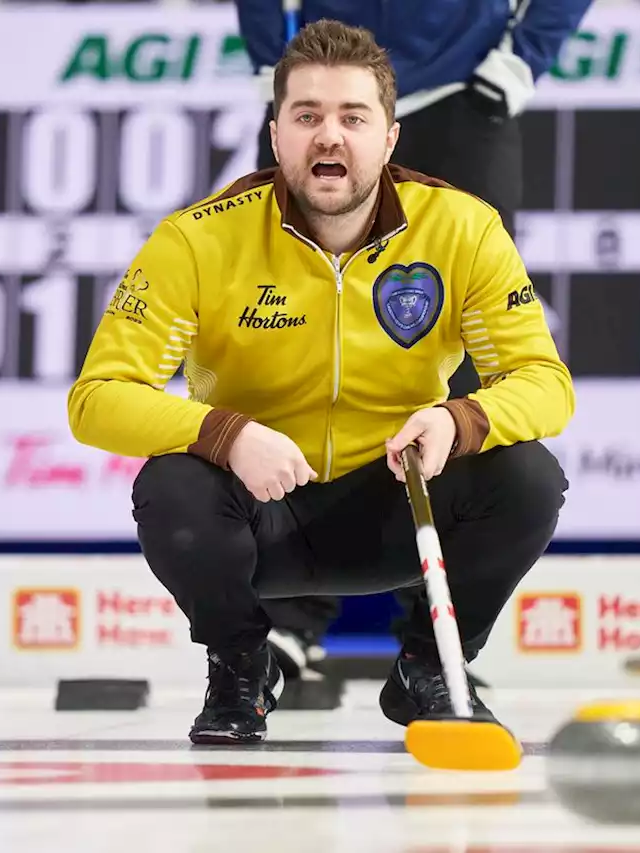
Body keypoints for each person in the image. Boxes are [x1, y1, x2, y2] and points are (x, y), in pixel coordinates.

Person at [67, 20, 573, 744]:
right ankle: (241, 665)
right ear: (275, 135)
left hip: (401, 504)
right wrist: (225, 433)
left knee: (527, 476)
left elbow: (545, 384)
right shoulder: (196, 239)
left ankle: (429, 667)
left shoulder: (464, 229)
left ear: (390, 138)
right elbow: (97, 398)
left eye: (353, 117)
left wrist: (457, 420)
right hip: (257, 509)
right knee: (173, 485)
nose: (329, 137)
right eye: (307, 116)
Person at [235, 0, 592, 677]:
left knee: (456, 361)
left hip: (461, 95)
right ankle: (286, 622)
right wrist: (267, 59)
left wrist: (525, 55)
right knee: (290, 337)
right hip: (330, 91)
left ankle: (436, 637)